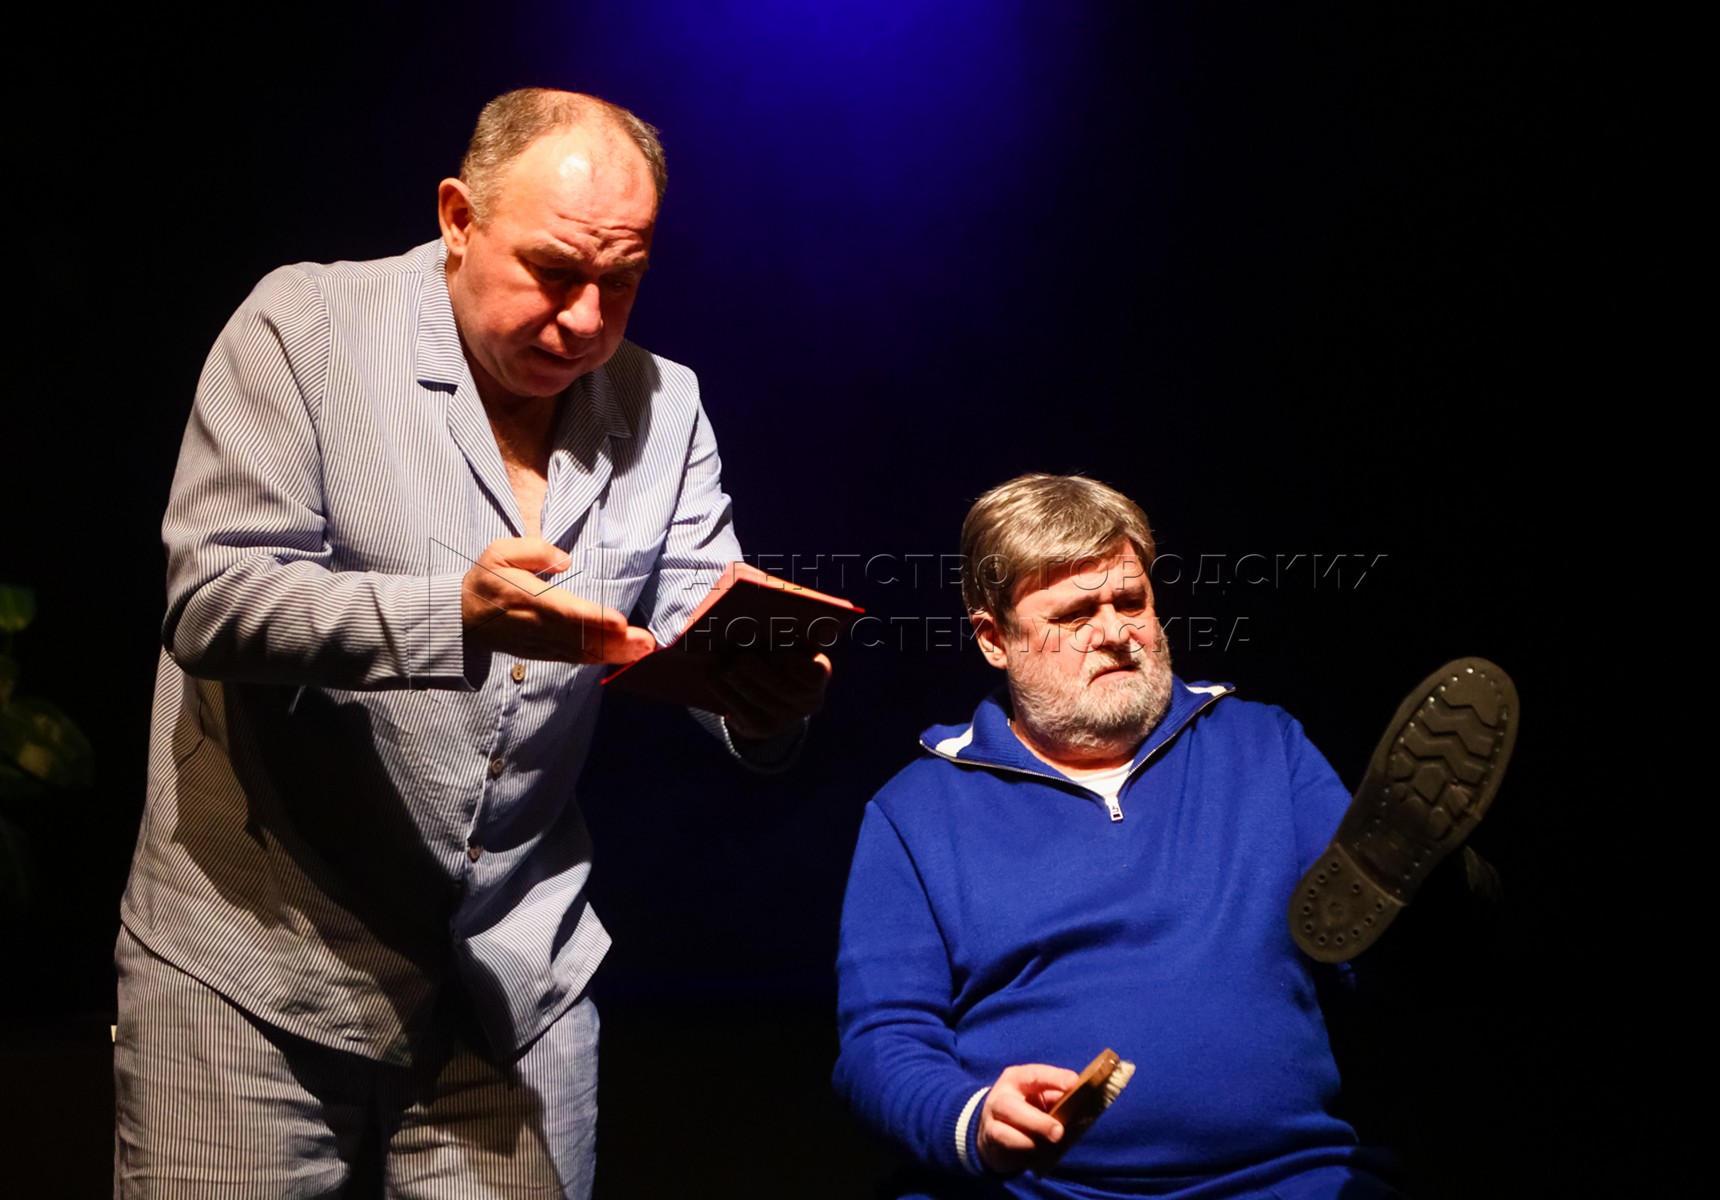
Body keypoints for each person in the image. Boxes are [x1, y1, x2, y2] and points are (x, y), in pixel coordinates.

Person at [115, 88, 828, 1198]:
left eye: (622, 281)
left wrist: (758, 698)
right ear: (458, 216)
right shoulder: (303, 329)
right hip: (257, 959)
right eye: (553, 271)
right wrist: (451, 615)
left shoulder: (664, 405)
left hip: (510, 972)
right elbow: (215, 600)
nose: (586, 319)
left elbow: (699, 613)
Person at [833, 474, 1514, 1200]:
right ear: (995, 639)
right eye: (1075, 614)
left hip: (1282, 1179)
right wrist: (970, 1121)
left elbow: (1367, 955)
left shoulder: (1263, 747)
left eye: (1130, 602)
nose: (1114, 632)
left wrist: (1434, 893)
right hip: (1036, 1190)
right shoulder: (916, 812)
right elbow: (881, 1044)